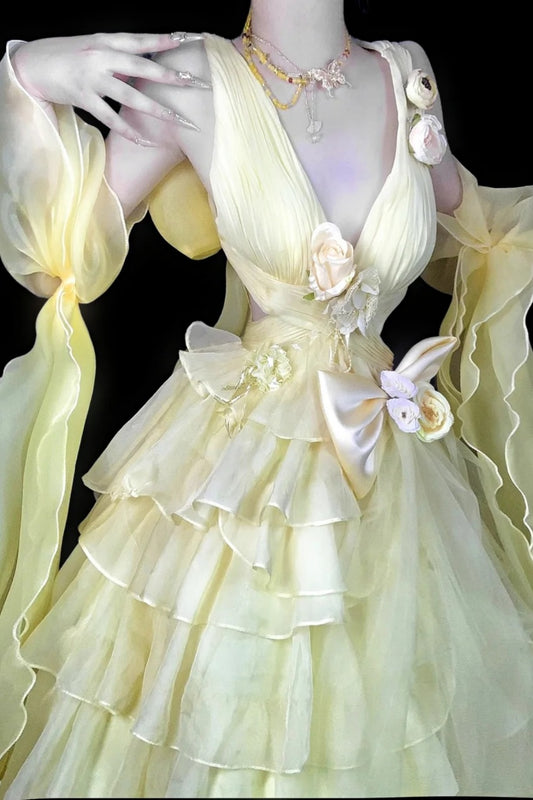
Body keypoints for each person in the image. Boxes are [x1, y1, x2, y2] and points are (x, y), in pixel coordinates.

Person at [0, 0, 533, 796]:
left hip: (396, 471)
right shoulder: (192, 77)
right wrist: (28, 74)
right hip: (240, 472)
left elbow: (482, 225)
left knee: (397, 707)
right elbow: (57, 262)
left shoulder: (403, 72)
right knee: (223, 700)